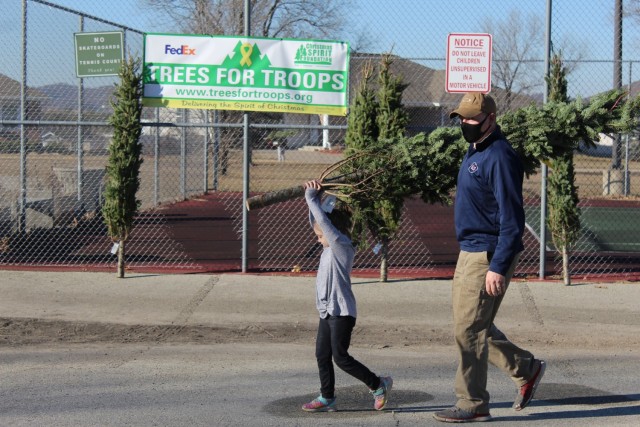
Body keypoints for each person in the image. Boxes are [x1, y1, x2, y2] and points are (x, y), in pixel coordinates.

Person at [433, 92, 546, 423]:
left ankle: (472, 402)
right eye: (462, 119)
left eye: (472, 119)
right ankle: (525, 368)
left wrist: (497, 265)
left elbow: (512, 218)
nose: (466, 124)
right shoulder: (476, 148)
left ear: (491, 119)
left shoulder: (498, 156)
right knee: (468, 325)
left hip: (487, 253)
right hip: (469, 250)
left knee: (469, 329)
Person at [301, 179, 393, 412]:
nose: (318, 238)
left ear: (333, 232)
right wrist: (317, 196)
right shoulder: (327, 247)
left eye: (321, 235)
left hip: (342, 312)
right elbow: (319, 220)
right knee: (322, 354)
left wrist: (311, 199)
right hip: (328, 311)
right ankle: (327, 396)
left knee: (340, 357)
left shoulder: (341, 246)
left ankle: (378, 384)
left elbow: (323, 222)